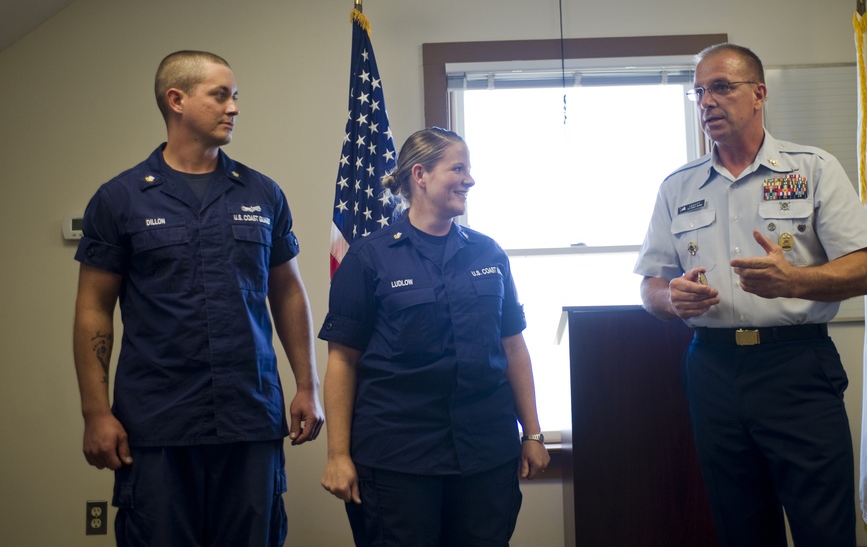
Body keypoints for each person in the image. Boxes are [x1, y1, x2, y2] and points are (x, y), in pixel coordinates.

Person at [635, 43, 867, 547]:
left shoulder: (811, 169)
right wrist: (670, 300)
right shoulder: (677, 188)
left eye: (721, 87)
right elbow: (650, 284)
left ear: (759, 94)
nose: (707, 101)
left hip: (796, 365)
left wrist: (795, 281)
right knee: (740, 526)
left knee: (823, 526)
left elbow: (865, 270)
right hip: (713, 369)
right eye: (699, 91)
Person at [72, 50, 324, 546]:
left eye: (235, 96)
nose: (234, 107)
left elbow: (288, 291)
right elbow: (92, 309)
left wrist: (307, 385)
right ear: (177, 100)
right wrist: (95, 413)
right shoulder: (120, 198)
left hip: (250, 416)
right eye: (221, 95)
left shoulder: (261, 193)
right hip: (158, 421)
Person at [320, 127, 550, 547]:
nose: (470, 179)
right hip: (397, 457)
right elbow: (342, 360)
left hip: (485, 452)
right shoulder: (370, 256)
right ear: (421, 175)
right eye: (458, 168)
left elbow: (513, 347)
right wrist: (337, 455)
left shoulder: (488, 252)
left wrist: (532, 433)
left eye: (469, 169)